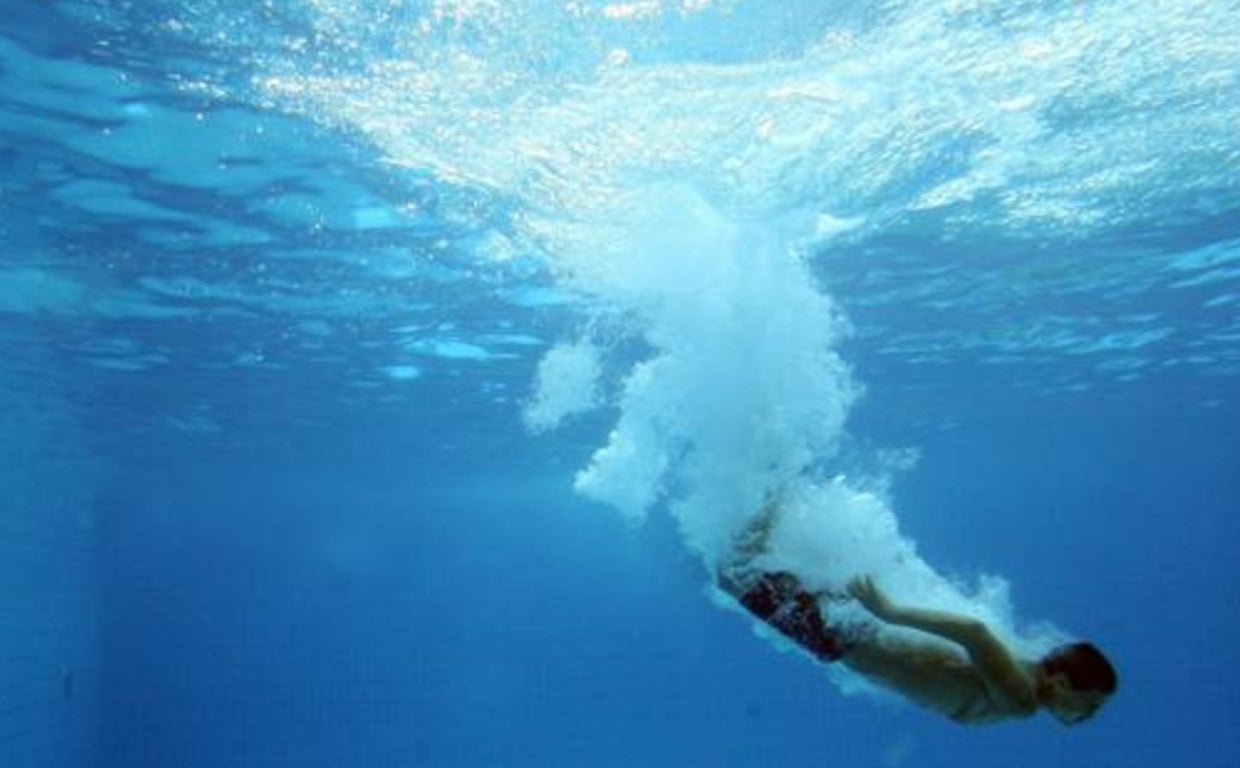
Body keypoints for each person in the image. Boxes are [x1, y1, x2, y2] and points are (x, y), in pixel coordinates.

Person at [716, 501, 1117, 726]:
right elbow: (975, 632)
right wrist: (889, 611)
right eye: (1091, 703)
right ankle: (771, 475)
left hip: (850, 632)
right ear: (1063, 683)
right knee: (734, 572)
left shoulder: (1025, 662)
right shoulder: (1022, 698)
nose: (1089, 715)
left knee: (745, 564)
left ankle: (772, 481)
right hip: (845, 636)